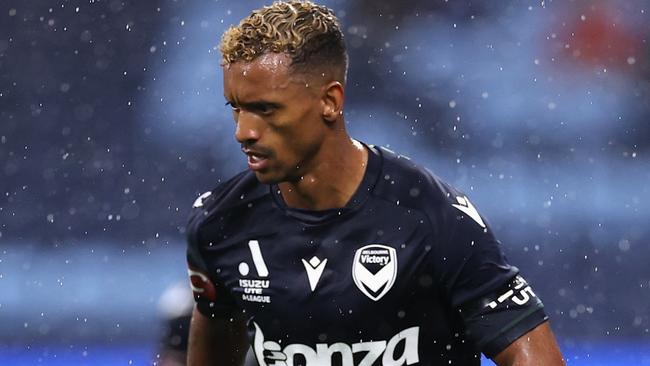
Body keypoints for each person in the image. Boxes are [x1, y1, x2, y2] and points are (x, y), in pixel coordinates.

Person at [185, 1, 566, 365]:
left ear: (330, 101)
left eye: (266, 109)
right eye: (236, 107)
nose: (243, 131)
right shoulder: (220, 224)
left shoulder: (432, 217)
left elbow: (530, 354)